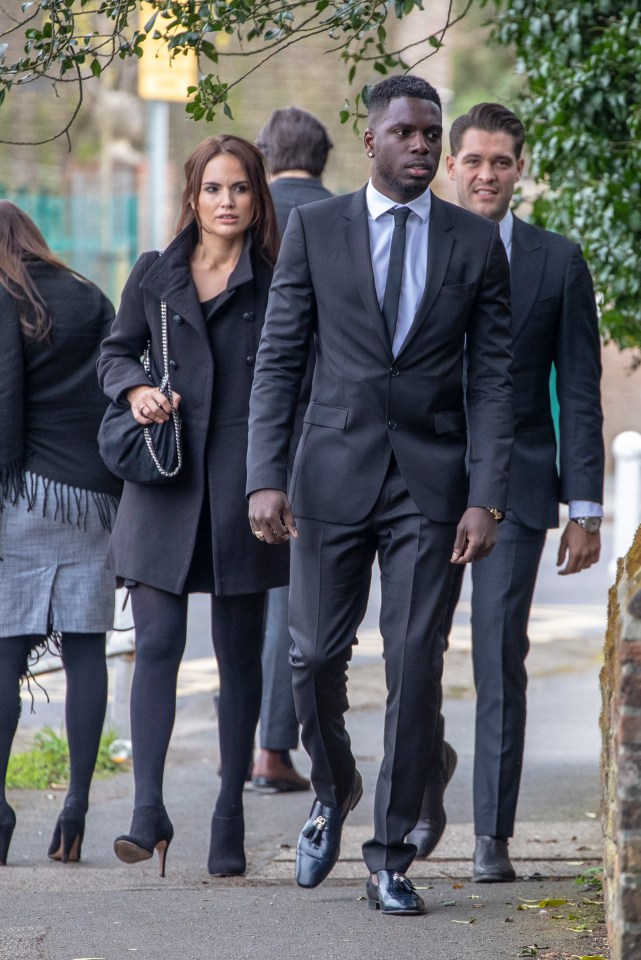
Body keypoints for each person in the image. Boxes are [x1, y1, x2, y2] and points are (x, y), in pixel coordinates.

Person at [246, 75, 514, 916]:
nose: (422, 147)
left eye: (431, 135)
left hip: (431, 490)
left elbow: (495, 384)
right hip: (328, 476)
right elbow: (280, 358)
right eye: (405, 133)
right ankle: (333, 789)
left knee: (413, 664)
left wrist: (485, 495)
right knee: (313, 658)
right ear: (370, 140)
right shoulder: (315, 230)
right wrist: (264, 474)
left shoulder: (472, 243)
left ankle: (391, 854)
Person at [407, 103, 604, 882]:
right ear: (450, 166)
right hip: (421, 484)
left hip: (517, 487)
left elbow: (580, 390)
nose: (485, 174)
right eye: (473, 160)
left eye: (500, 161)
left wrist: (583, 506)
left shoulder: (556, 262)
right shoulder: (413, 246)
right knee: (414, 656)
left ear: (519, 168)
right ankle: (425, 789)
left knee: (498, 656)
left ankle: (492, 833)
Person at [97, 135, 289, 878]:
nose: (226, 201)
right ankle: (148, 811)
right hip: (163, 479)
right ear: (193, 196)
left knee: (239, 661)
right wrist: (134, 390)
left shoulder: (274, 279)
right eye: (213, 188)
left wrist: (281, 478)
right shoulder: (155, 273)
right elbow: (116, 351)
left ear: (256, 196)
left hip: (244, 483)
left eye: (239, 188)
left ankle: (227, 814)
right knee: (156, 644)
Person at [0, 201, 120, 866]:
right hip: (95, 501)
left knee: (4, 659)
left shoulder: (4, 296)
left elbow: (5, 403)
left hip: (26, 496)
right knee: (85, 654)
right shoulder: (87, 293)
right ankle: (74, 808)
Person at [251, 106, 334, 794]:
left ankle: (237, 738)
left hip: (236, 428)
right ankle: (272, 750)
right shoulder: (346, 220)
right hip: (322, 432)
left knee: (230, 598)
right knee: (290, 595)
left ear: (262, 156)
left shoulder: (240, 213)